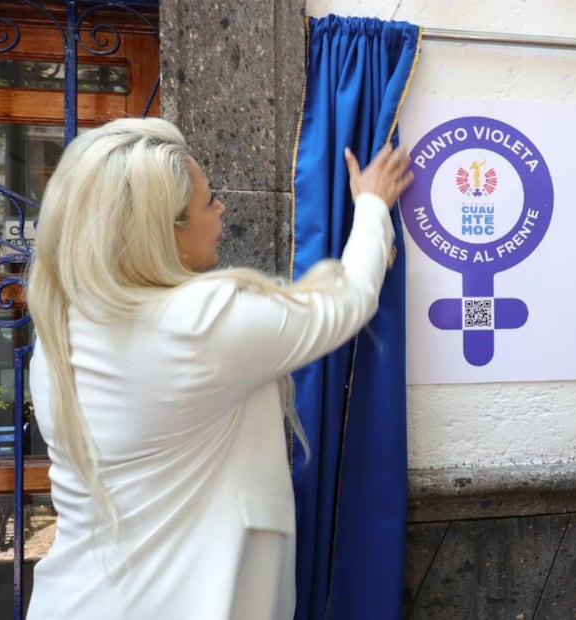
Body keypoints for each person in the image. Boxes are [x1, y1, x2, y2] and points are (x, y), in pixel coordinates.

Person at [25, 118, 412, 619]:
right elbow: (342, 306)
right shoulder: (196, 323)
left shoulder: (61, 328)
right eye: (209, 201)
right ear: (164, 232)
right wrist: (373, 207)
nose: (222, 207)